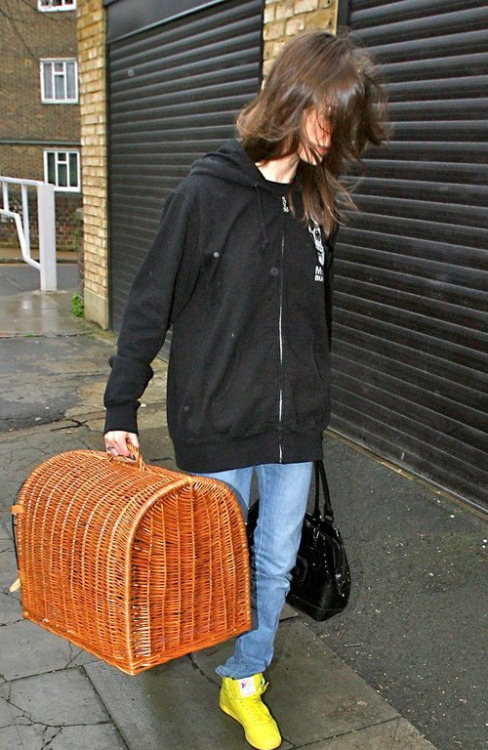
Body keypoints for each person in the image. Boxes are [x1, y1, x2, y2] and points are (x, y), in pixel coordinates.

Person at [103, 30, 387, 750]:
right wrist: (120, 407)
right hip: (218, 418)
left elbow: (313, 319)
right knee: (206, 559)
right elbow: (148, 305)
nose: (337, 139)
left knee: (274, 560)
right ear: (297, 100)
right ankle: (173, 627)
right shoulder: (207, 192)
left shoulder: (316, 205)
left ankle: (244, 678)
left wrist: (315, 398)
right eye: (333, 119)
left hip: (293, 426)